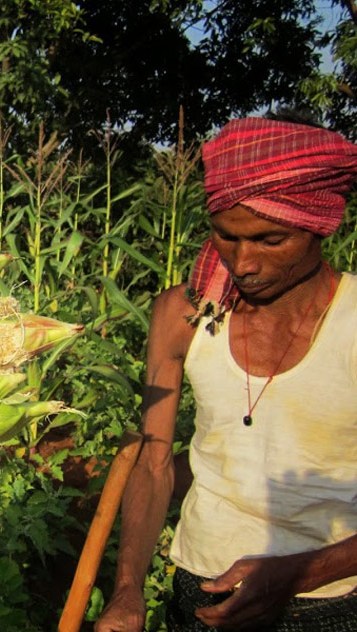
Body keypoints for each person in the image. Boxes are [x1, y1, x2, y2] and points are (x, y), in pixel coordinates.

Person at [95, 115, 357, 631]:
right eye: (225, 237)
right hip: (198, 586)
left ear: (320, 224)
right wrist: (127, 591)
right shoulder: (185, 315)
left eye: (269, 239)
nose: (244, 263)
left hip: (329, 602)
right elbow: (153, 464)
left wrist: (305, 571)